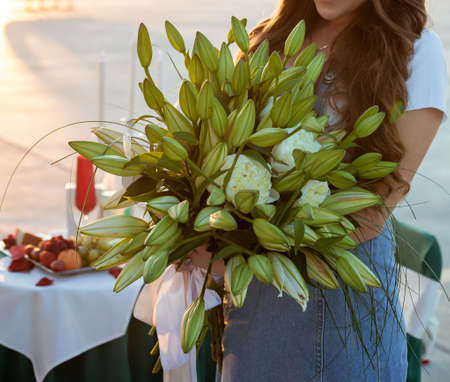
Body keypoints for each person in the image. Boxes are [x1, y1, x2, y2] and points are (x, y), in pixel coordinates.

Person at [185, 0, 448, 380]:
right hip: (251, 318)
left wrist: (237, 260)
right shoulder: (268, 40)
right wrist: (193, 228)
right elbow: (214, 151)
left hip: (344, 321)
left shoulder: (416, 52)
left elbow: (371, 213)